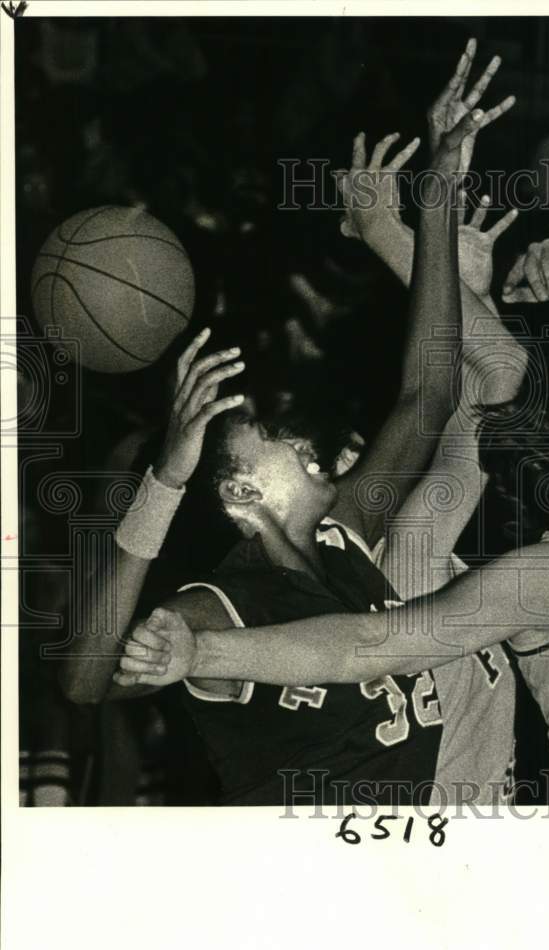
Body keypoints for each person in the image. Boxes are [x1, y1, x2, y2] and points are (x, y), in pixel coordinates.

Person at [120, 243, 549, 807]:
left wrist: (470, 279)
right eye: (331, 456)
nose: (350, 458)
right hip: (429, 864)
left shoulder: (475, 569)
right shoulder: (411, 555)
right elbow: (483, 391)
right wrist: (417, 249)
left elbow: (496, 392)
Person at [67, 41, 523, 807]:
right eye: (272, 435)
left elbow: (429, 394)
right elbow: (86, 679)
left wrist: (437, 192)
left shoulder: (344, 535)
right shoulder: (221, 602)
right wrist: (166, 479)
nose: (299, 435)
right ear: (240, 491)